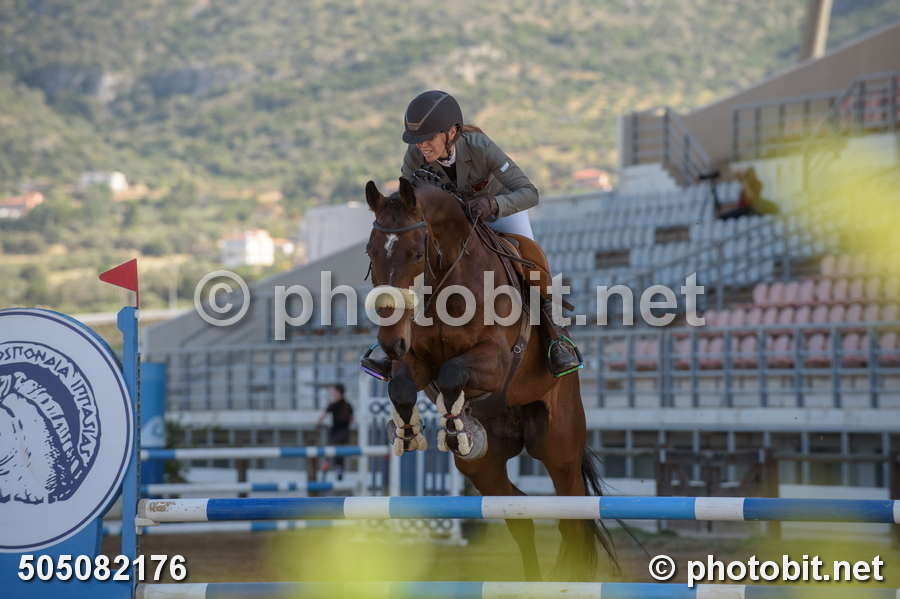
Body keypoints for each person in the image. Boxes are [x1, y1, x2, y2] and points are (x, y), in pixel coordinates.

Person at [361, 90, 582, 381]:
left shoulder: (480, 148)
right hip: (452, 223)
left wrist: (493, 204)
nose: (422, 145)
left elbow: (529, 193)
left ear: (451, 132)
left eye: (428, 138)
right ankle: (390, 343)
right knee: (410, 260)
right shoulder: (415, 155)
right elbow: (409, 204)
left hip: (499, 209)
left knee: (529, 257)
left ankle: (557, 338)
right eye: (416, 140)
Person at [316, 384, 353, 479]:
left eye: (334, 392)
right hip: (339, 432)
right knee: (337, 451)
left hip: (340, 432)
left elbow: (322, 416)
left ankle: (329, 466)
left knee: (335, 450)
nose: (332, 394)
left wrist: (317, 424)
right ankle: (336, 468)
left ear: (339, 393)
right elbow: (351, 420)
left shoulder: (340, 405)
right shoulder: (344, 405)